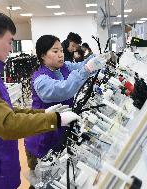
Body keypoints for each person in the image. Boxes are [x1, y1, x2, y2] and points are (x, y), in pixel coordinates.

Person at [0, 11, 80, 189]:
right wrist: (55, 120)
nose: (11, 49)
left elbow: (7, 110)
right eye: (10, 42)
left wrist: (44, 113)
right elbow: (7, 123)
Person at [24, 35, 110, 187]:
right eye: (55, 51)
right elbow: (64, 90)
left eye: (62, 50)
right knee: (42, 183)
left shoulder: (63, 67)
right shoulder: (41, 80)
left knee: (58, 179)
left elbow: (82, 66)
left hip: (58, 135)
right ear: (43, 55)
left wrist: (96, 59)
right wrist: (87, 69)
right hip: (41, 140)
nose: (60, 54)